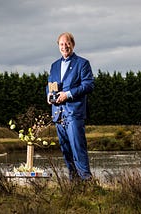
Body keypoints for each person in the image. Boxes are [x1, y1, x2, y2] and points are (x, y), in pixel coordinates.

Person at [46, 32, 94, 181]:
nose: (64, 46)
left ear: (73, 44)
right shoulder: (54, 66)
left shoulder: (82, 63)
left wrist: (68, 94)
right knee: (66, 150)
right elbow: (49, 86)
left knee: (78, 148)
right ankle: (74, 183)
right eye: (61, 44)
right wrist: (48, 95)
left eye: (67, 43)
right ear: (58, 46)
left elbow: (89, 85)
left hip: (74, 113)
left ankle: (86, 181)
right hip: (58, 114)